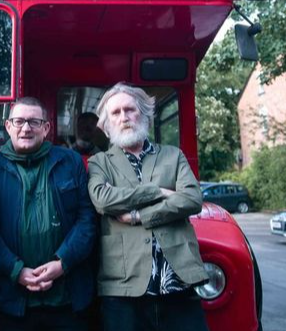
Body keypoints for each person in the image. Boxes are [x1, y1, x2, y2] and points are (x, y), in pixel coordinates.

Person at [87, 83, 209, 331]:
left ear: (143, 114)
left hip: (179, 282)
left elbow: (192, 199)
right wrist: (158, 191)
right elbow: (103, 199)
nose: (124, 117)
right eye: (116, 113)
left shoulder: (173, 155)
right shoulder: (99, 162)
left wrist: (138, 216)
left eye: (130, 110)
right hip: (123, 287)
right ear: (107, 125)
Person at [0, 97, 96, 331]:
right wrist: (16, 270)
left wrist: (63, 262)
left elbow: (87, 219)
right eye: (19, 121)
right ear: (8, 126)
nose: (26, 128)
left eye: (34, 122)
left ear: (46, 128)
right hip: (13, 300)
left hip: (68, 298)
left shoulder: (70, 161)